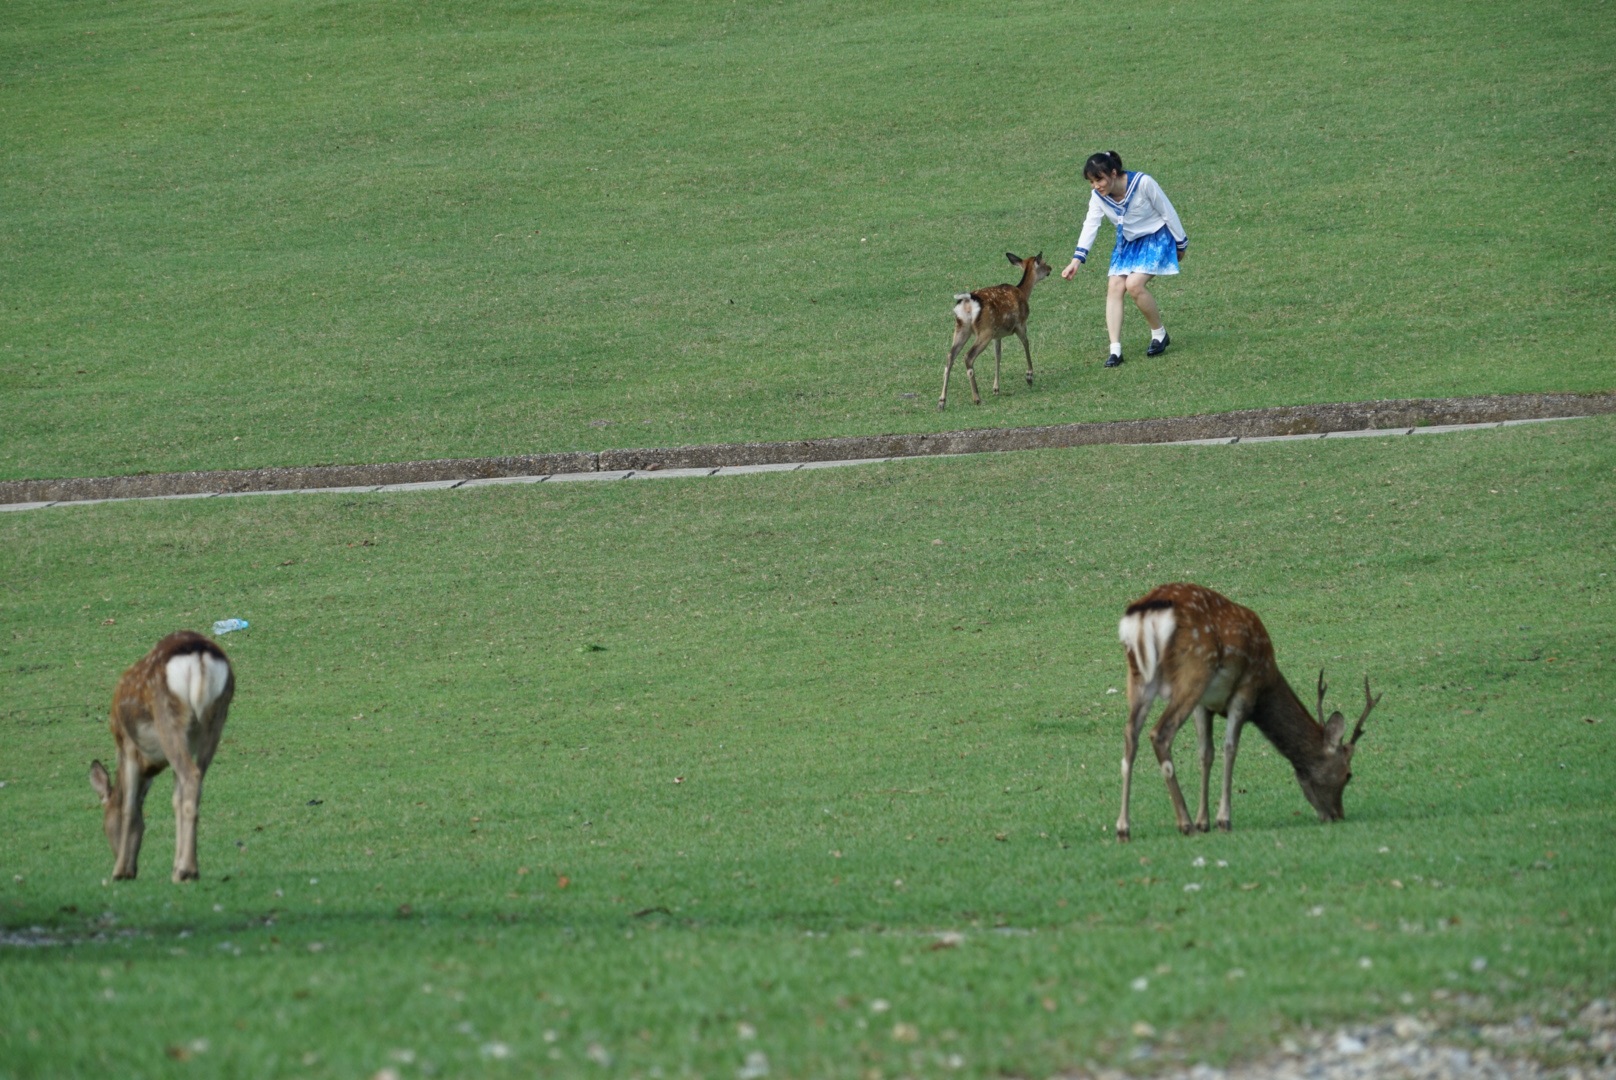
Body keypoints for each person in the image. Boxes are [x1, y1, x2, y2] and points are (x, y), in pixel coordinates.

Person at [1060, 151, 1187, 367]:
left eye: (1098, 179)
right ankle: (1115, 351)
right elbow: (1091, 224)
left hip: (1156, 237)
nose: (1095, 186)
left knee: (1134, 285)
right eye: (1091, 182)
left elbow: (1167, 211)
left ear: (1113, 173)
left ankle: (1159, 334)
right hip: (1128, 243)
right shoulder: (1098, 196)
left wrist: (1181, 243)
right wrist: (1076, 260)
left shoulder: (1143, 182)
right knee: (1115, 286)